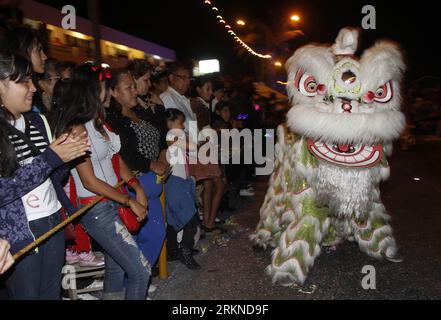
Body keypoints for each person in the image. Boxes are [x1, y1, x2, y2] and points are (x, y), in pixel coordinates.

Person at [51, 63, 150, 300]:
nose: (108, 93)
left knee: (116, 267)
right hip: (96, 208)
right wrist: (128, 201)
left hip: (112, 202)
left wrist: (136, 187)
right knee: (140, 271)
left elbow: (116, 159)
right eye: (105, 87)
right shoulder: (76, 128)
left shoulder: (99, 123)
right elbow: (89, 181)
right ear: (94, 91)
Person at [0, 51, 90, 299]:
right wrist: (51, 157)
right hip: (18, 232)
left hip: (53, 219)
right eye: (23, 81)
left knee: (52, 294)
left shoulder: (39, 121)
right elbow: (3, 189)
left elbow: (54, 177)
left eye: (31, 80)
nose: (33, 87)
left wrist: (68, 153)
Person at [106, 67, 167, 278]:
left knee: (156, 233)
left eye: (134, 86)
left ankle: (138, 279)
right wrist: (150, 164)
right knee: (134, 237)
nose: (135, 91)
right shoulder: (112, 120)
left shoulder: (140, 112)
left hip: (151, 182)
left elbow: (161, 136)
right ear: (113, 92)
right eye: (128, 87)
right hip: (132, 184)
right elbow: (123, 153)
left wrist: (160, 156)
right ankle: (132, 282)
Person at [164, 108, 201, 270]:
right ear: (170, 123)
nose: (183, 126)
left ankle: (172, 251)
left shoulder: (175, 136)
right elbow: (193, 147)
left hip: (180, 181)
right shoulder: (172, 135)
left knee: (173, 219)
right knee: (191, 218)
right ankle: (185, 249)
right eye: (180, 122)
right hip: (175, 182)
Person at [190, 76, 225, 234]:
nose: (211, 92)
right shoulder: (198, 104)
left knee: (209, 185)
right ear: (198, 89)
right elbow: (203, 131)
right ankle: (209, 222)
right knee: (219, 185)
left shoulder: (200, 104)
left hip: (202, 149)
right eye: (207, 88)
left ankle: (207, 222)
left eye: (211, 89)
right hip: (204, 149)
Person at [160, 62, 195, 132]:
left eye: (189, 78)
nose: (188, 81)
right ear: (171, 78)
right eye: (183, 77)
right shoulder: (167, 98)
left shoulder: (182, 98)